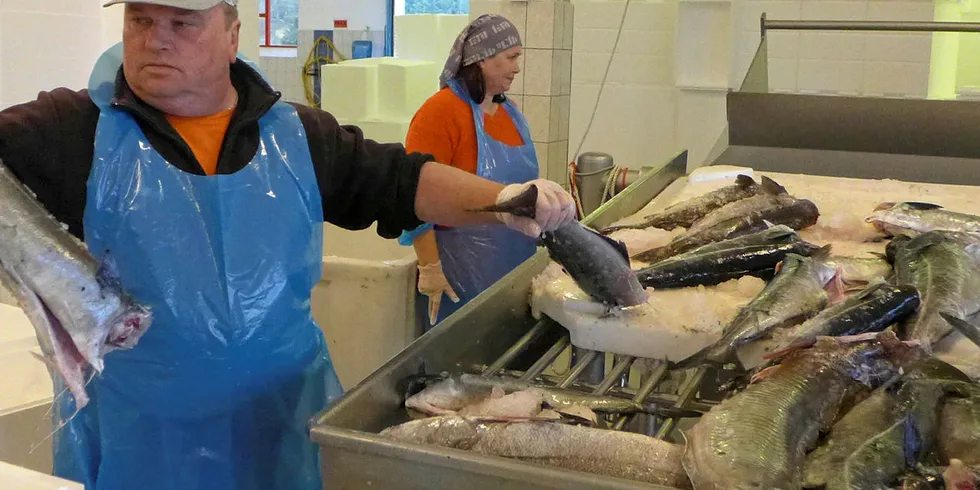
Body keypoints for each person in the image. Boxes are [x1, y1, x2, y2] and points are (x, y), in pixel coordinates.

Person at [0, 1, 576, 489]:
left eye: (181, 23)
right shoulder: (73, 129)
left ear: (231, 34)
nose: (156, 40)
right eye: (140, 19)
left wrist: (507, 199)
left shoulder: (298, 136)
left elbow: (399, 180)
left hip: (280, 426)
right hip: (140, 442)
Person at [400, 14, 539, 326]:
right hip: (459, 275)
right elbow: (412, 194)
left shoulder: (511, 113)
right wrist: (430, 267)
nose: (517, 68)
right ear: (482, 60)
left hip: (514, 265)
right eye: (511, 58)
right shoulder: (440, 112)